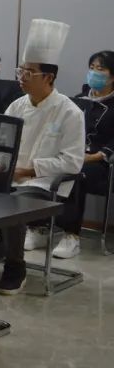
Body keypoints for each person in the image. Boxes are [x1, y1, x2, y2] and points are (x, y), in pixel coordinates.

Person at [0, 19, 84, 293]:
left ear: (49, 77)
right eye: (20, 70)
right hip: (10, 177)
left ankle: (15, 266)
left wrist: (28, 170)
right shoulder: (16, 106)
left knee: (13, 204)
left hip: (45, 185)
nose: (22, 77)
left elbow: (73, 162)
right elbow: (2, 146)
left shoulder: (70, 112)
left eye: (29, 72)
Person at [74, 50, 114, 256]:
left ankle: (70, 235)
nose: (94, 73)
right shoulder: (79, 99)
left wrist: (94, 156)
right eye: (91, 68)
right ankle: (37, 227)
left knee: (76, 175)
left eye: (100, 69)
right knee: (44, 168)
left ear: (112, 76)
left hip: (100, 162)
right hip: (73, 155)